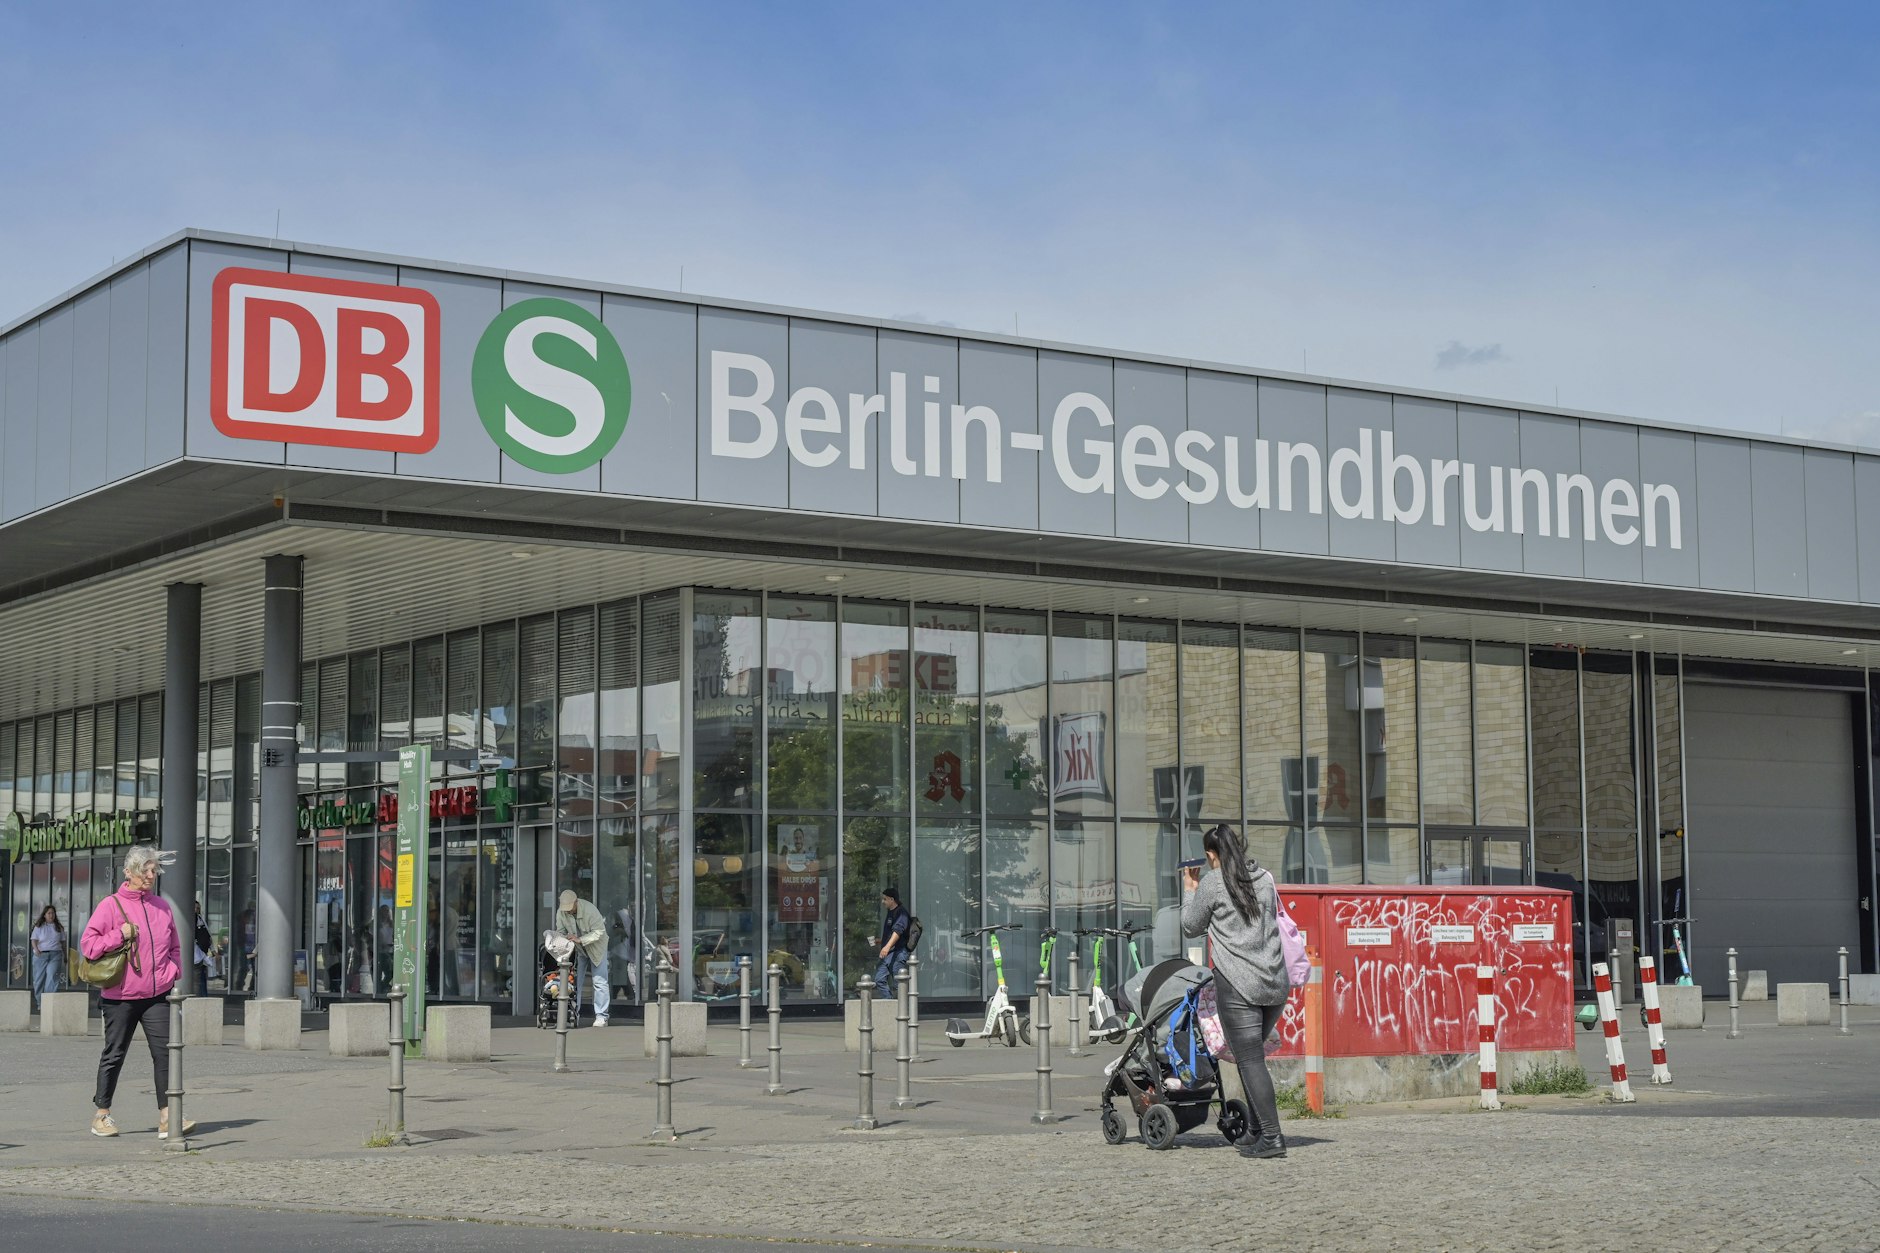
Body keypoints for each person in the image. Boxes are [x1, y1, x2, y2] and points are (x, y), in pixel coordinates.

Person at [1181, 824, 1289, 1160]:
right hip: (1274, 982)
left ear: (1212, 855)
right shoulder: (1264, 878)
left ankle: (1272, 1138)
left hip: (1239, 983)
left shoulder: (1213, 882)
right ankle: (1256, 1130)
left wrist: (1189, 889)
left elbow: (1190, 926)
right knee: (1250, 1057)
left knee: (1250, 1060)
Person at [79, 844, 194, 1141]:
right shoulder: (110, 905)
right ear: (129, 872)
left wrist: (172, 972)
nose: (151, 875)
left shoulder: (162, 906)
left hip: (156, 995)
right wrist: (121, 934)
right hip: (120, 997)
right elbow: (89, 945)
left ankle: (168, 1116)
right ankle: (101, 1114)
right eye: (146, 870)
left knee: (165, 1055)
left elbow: (175, 946)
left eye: (154, 870)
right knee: (114, 1054)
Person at [554, 890, 610, 1026]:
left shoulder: (590, 910)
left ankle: (602, 1016)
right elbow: (560, 931)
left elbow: (599, 932)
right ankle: (573, 1012)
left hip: (597, 948)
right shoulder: (561, 912)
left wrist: (580, 939)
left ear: (576, 902)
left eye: (570, 908)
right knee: (574, 983)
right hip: (579, 950)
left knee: (599, 982)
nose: (567, 911)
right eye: (565, 909)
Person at [868, 886, 910, 999]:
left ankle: (903, 1010)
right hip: (889, 952)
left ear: (892, 899)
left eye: (885, 899)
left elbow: (897, 932)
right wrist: (880, 941)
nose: (883, 902)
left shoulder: (901, 913)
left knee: (899, 983)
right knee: (879, 979)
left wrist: (886, 947)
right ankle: (890, 1003)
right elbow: (892, 935)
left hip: (898, 952)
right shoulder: (890, 913)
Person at [30, 904, 65, 1009]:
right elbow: (34, 940)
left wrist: (65, 955)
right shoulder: (39, 926)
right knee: (39, 979)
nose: (51, 915)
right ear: (44, 915)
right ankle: (40, 1003)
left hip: (55, 954)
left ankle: (48, 1003)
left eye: (53, 913)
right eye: (49, 913)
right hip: (41, 955)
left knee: (52, 977)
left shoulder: (59, 927)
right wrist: (36, 949)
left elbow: (63, 943)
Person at [192, 901, 213, 998]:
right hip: (197, 954)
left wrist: (212, 950)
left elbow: (208, 935)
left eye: (198, 908)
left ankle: (202, 997)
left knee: (200, 979)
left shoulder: (200, 919)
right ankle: (200, 997)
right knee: (198, 979)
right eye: (195, 908)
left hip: (201, 953)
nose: (196, 910)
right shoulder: (196, 919)